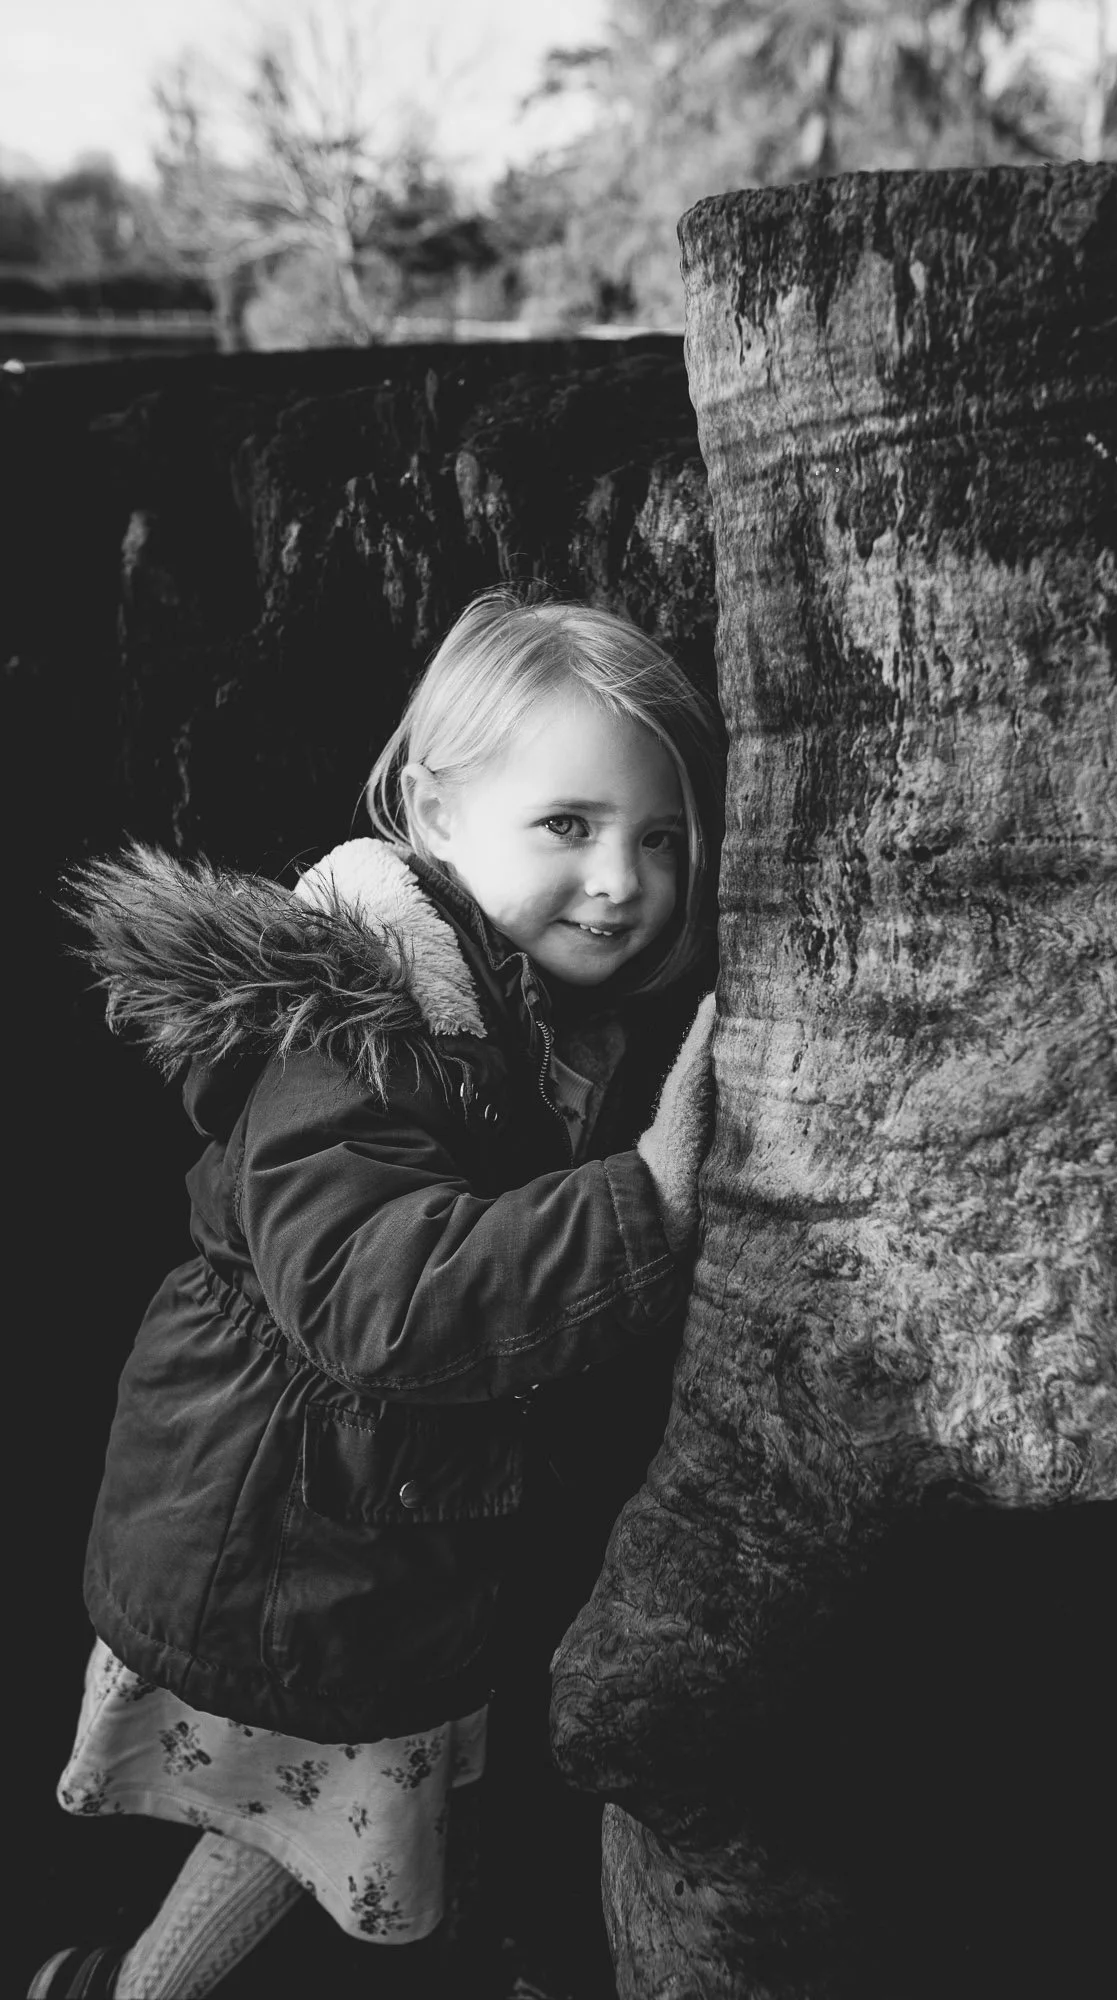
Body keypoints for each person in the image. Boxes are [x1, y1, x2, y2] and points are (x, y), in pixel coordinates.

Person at [30, 588, 725, 2000]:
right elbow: (383, 1299)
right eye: (568, 826)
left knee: (335, 1806)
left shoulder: (537, 1003)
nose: (620, 878)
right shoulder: (351, 1034)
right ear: (431, 805)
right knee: (330, 1804)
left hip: (381, 1527)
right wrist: (645, 1196)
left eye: (660, 838)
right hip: (292, 1531)